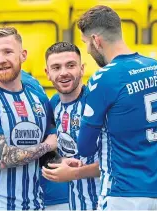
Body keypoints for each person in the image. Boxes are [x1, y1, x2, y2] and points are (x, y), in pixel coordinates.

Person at [73, 5, 157, 210]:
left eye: (86, 43)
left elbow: (85, 147)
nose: (87, 49)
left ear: (96, 41)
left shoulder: (103, 78)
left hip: (121, 194)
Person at [0, 29, 69, 210]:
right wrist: (46, 145)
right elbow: (2, 158)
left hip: (36, 205)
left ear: (23, 55)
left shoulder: (37, 97)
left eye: (8, 52)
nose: (1, 59)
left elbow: (52, 146)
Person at [42, 42, 100, 210]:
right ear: (47, 73)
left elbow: (117, 161)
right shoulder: (53, 104)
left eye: (70, 65)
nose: (64, 73)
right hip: (76, 204)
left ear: (82, 69)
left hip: (106, 203)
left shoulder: (97, 102)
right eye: (56, 67)